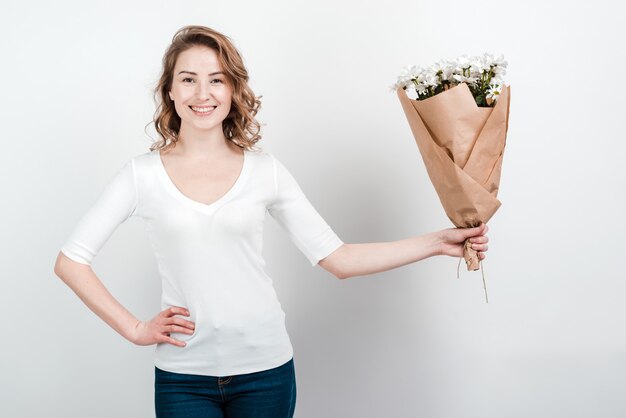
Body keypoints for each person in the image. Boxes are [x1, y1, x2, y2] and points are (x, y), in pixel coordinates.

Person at [53, 25, 489, 418]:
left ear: (232, 90)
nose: (202, 93)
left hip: (265, 374)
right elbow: (71, 261)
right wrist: (136, 329)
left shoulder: (265, 171)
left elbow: (337, 258)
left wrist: (437, 242)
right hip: (183, 378)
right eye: (188, 79)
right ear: (169, 90)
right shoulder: (140, 175)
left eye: (216, 80)